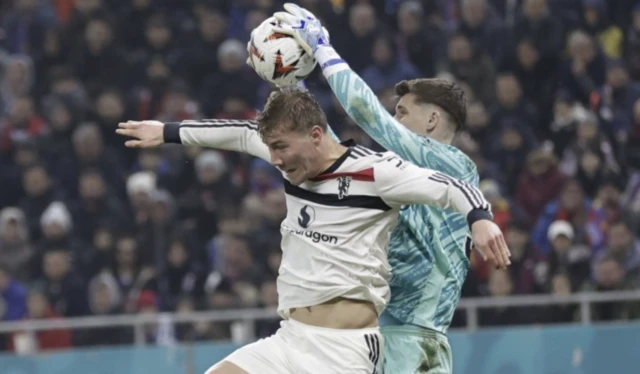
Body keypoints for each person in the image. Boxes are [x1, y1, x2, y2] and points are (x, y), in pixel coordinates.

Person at [116, 88, 507, 373]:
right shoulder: (286, 158)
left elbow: (451, 186)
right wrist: (166, 131)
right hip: (289, 339)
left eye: (282, 147)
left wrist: (481, 217)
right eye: (270, 147)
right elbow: (236, 133)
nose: (275, 159)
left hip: (344, 352)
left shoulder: (377, 173)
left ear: (316, 135)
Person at [267, 4, 511, 373]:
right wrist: (289, 83)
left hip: (410, 339)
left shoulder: (452, 164)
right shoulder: (398, 174)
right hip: (391, 337)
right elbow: (325, 150)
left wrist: (322, 48)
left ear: (432, 120)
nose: (392, 120)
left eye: (401, 112)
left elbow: (367, 113)